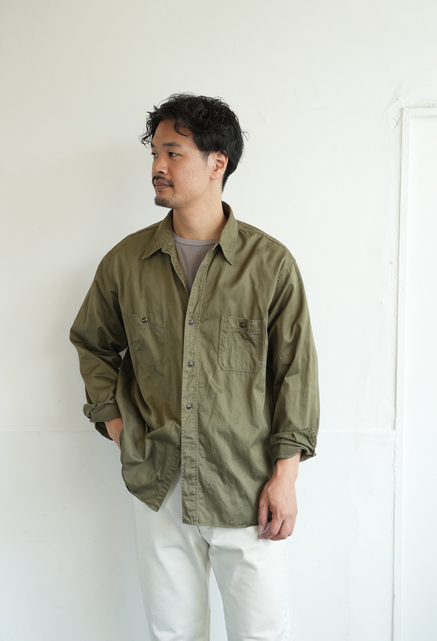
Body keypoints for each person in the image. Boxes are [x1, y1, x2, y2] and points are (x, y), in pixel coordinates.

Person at [70, 93, 319, 641]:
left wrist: (285, 477)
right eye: (155, 153)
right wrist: (118, 425)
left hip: (246, 485)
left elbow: (295, 374)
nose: (157, 166)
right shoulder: (126, 262)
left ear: (216, 163)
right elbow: (92, 343)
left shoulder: (269, 264)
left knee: (260, 634)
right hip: (159, 483)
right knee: (172, 633)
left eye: (173, 153)